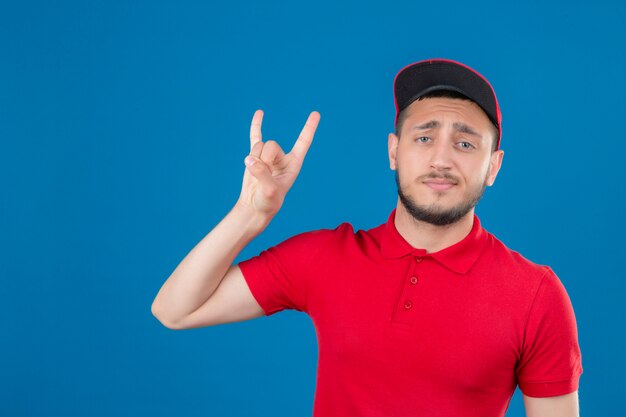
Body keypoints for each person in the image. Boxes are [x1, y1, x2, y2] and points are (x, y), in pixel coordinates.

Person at [151, 58, 583, 417]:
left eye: (466, 145)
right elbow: (174, 309)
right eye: (424, 136)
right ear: (394, 151)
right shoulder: (327, 257)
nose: (440, 158)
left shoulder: (535, 295)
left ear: (494, 166)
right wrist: (250, 214)